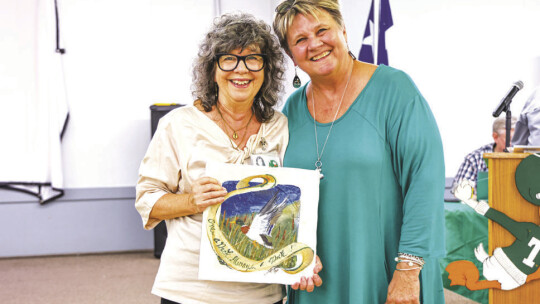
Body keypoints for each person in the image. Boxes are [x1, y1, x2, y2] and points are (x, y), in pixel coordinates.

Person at [273, 1, 445, 303]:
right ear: (292, 57)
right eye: (300, 40)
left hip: (387, 270)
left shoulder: (395, 90)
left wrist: (408, 270)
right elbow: (284, 197)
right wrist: (292, 252)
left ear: (343, 31)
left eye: (322, 30)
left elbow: (425, 182)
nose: (314, 44)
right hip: (316, 279)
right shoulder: (291, 110)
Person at [135, 13, 290, 304]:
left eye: (253, 59)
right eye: (228, 59)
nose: (241, 70)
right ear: (212, 69)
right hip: (190, 290)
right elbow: (147, 200)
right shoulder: (177, 125)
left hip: (261, 291)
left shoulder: (280, 126)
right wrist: (190, 200)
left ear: (267, 68)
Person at [451, 116, 517, 197]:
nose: (515, 144)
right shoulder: (475, 159)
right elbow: (459, 191)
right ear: (495, 137)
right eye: (510, 139)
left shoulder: (527, 158)